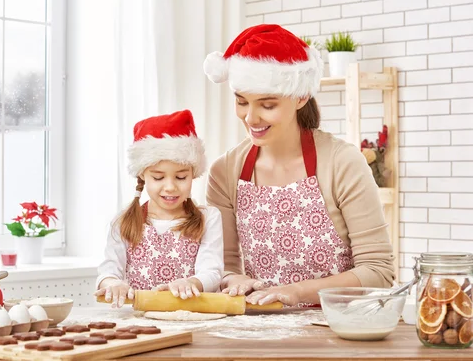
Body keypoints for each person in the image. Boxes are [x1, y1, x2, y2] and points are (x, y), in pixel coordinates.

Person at [202, 24, 395, 307]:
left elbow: (378, 271)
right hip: (260, 331)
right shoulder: (225, 171)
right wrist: (234, 280)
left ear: (301, 96)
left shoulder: (342, 163)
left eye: (267, 105)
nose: (251, 118)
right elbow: (223, 266)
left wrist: (297, 292)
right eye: (242, 102)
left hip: (339, 328)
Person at [94, 109, 224, 308]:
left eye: (181, 177)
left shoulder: (209, 218)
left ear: (193, 175)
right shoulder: (123, 222)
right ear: (142, 175)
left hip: (192, 320)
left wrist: (191, 282)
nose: (170, 186)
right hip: (138, 322)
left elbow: (212, 272)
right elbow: (108, 271)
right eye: (158, 177)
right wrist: (113, 283)